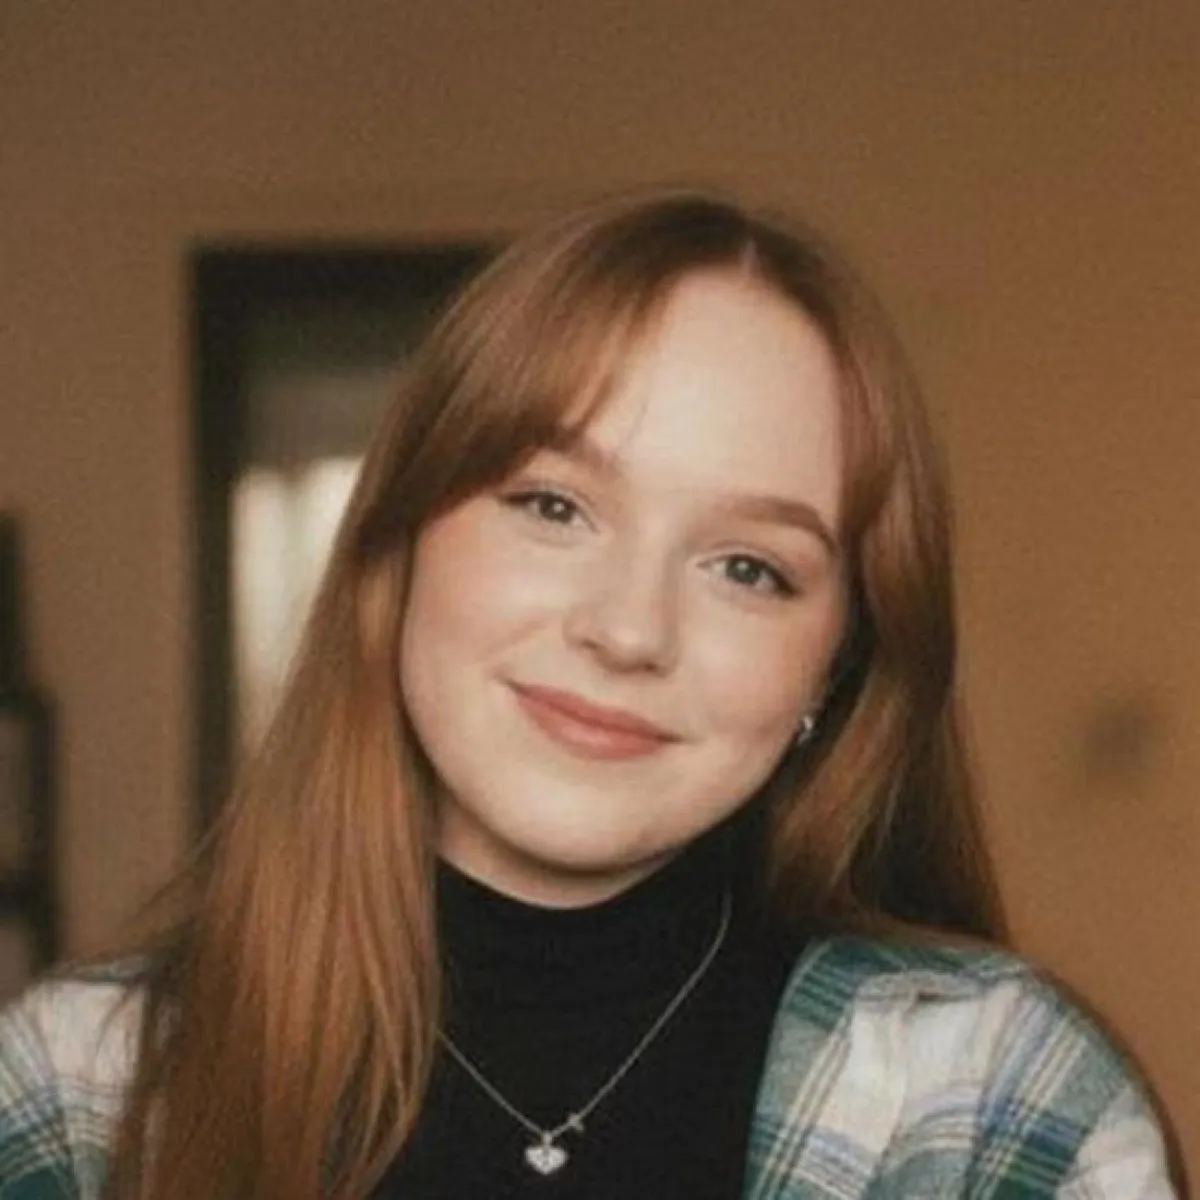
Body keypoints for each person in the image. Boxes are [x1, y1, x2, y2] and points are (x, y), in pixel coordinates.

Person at [0, 190, 1181, 1199]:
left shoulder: (995, 1110)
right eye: (553, 506)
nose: (627, 631)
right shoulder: (75, 1101)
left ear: (834, 668)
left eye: (748, 569)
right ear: (399, 547)